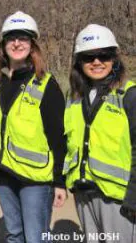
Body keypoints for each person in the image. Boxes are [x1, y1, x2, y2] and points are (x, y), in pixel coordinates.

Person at [0, 11, 67, 243]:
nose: (16, 43)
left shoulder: (46, 84)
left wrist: (59, 181)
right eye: (11, 38)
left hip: (35, 178)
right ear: (3, 45)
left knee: (36, 238)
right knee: (14, 235)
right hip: (4, 174)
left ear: (32, 45)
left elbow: (58, 137)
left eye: (23, 38)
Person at [63, 24, 136, 242]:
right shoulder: (74, 97)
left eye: (104, 55)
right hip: (84, 193)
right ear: (79, 61)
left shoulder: (128, 96)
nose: (96, 62)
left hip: (118, 200)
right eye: (89, 57)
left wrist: (133, 199)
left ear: (114, 59)